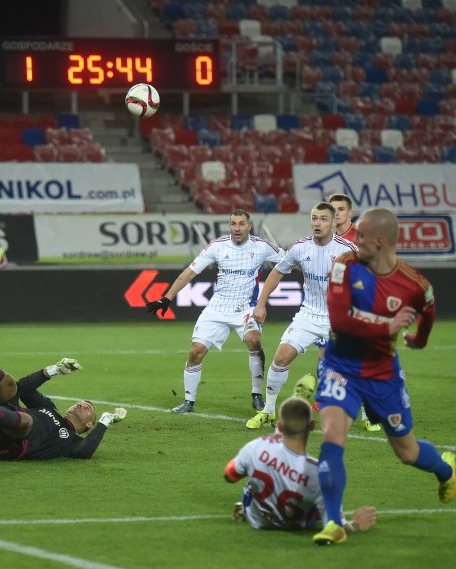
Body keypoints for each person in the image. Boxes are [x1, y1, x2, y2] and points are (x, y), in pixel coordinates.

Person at [313, 207, 456, 546]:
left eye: (359, 236)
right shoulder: (344, 265)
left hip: (382, 376)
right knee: (332, 436)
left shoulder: (414, 284)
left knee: (406, 452)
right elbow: (340, 320)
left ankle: (445, 470)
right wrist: (386, 326)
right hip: (341, 366)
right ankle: (334, 522)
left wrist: (418, 341)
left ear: (379, 241)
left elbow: (429, 311)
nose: (352, 240)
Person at [146, 209, 285, 414]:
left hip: (245, 307)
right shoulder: (217, 246)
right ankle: (188, 402)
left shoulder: (262, 246)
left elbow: (290, 260)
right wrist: (167, 297)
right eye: (233, 224)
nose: (236, 228)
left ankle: (257, 395)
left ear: (249, 226)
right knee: (195, 352)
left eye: (241, 224)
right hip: (217, 307)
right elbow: (189, 273)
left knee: (253, 340)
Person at [247, 203, 357, 429]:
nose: (318, 223)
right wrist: (260, 304)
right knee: (280, 358)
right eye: (314, 218)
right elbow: (277, 272)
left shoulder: (348, 250)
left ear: (334, 222)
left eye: (323, 219)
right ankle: (268, 411)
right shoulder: (299, 248)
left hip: (339, 319)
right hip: (308, 315)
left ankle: (367, 416)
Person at [0, 336, 127, 460]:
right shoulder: (49, 407)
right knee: (10, 384)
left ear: (89, 425)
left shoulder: (72, 442)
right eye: (79, 403)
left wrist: (105, 421)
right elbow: (24, 389)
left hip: (6, 444)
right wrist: (54, 370)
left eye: (87, 408)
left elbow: (85, 452)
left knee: (27, 421)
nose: (80, 405)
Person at [225, 396, 377, 537]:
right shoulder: (320, 472)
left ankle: (247, 508)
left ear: (279, 426)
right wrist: (356, 524)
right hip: (297, 525)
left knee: (253, 474)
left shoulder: (256, 447)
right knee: (323, 497)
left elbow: (230, 475)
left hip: (259, 520)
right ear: (312, 426)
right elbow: (337, 527)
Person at [326, 194, 380, 431]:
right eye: (332, 209)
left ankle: (368, 414)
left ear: (350, 213)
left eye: (340, 209)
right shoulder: (326, 237)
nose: (335, 213)